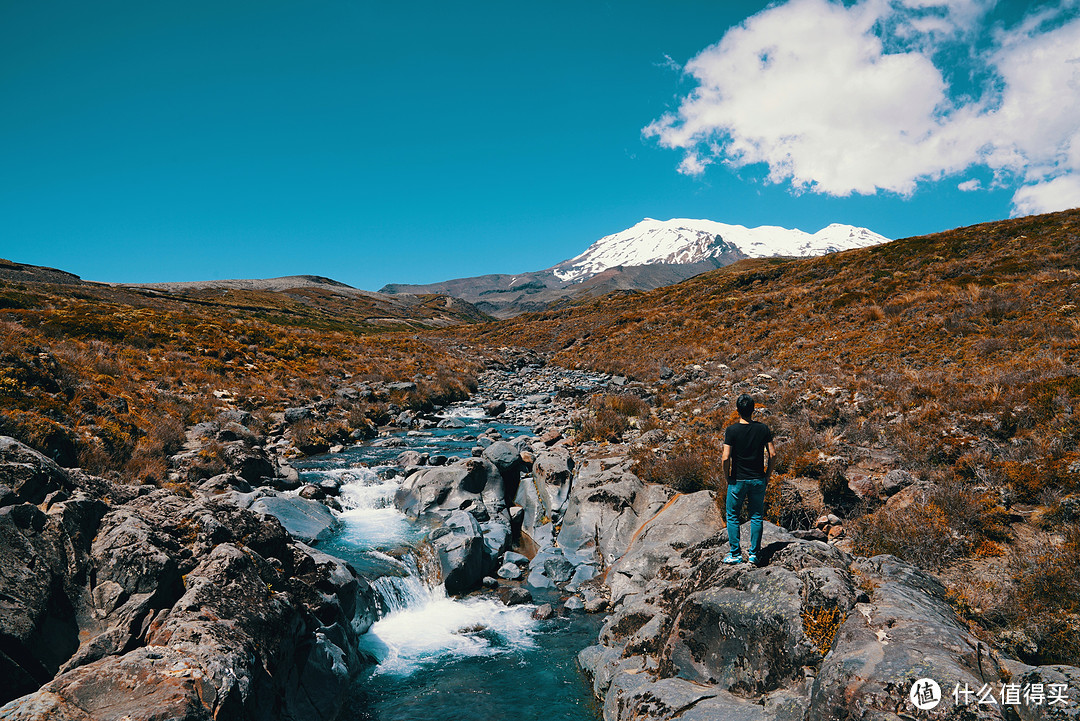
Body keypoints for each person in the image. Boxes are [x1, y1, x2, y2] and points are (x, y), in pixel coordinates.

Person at [721, 393, 776, 566]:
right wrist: (768, 475)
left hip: (737, 480)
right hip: (758, 479)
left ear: (737, 410)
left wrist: (727, 476)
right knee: (757, 516)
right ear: (753, 410)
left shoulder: (731, 431)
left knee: (732, 516)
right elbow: (773, 454)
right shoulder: (763, 429)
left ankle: (735, 554)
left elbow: (725, 457)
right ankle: (754, 554)